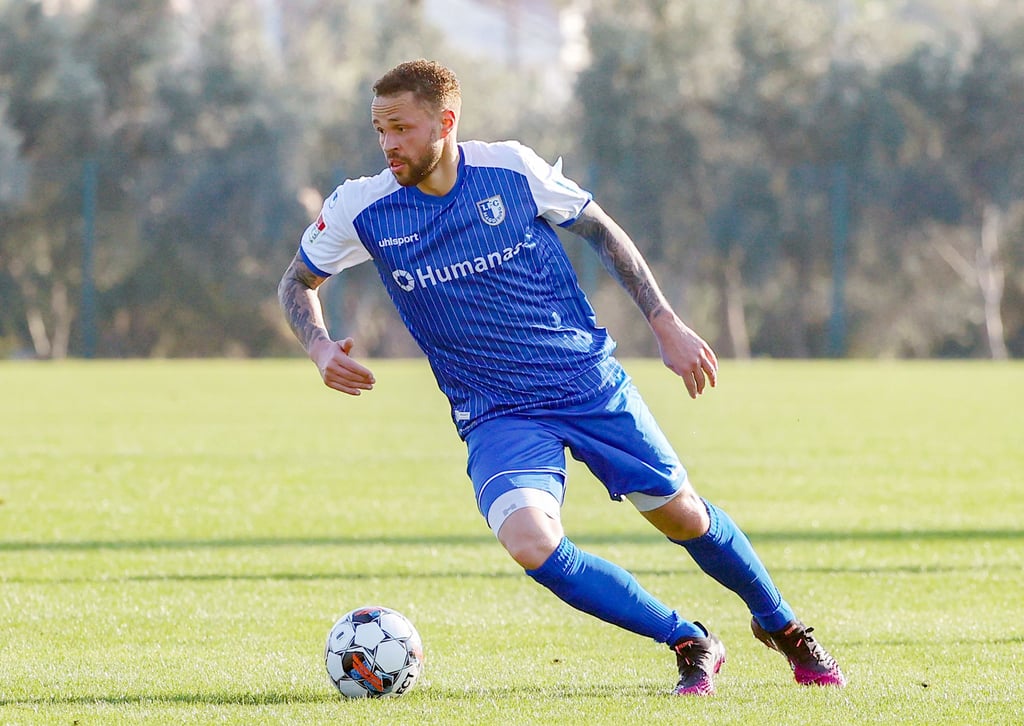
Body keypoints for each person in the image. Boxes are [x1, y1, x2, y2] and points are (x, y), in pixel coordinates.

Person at [278, 59, 845, 696]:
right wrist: (320, 347)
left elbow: (600, 229)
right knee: (530, 543)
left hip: (585, 381)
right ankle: (688, 639)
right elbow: (297, 282)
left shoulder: (511, 169)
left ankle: (785, 626)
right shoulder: (363, 205)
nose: (388, 145)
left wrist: (664, 321)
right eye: (379, 130)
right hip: (497, 412)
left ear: (446, 121)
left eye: (401, 129)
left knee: (682, 517)